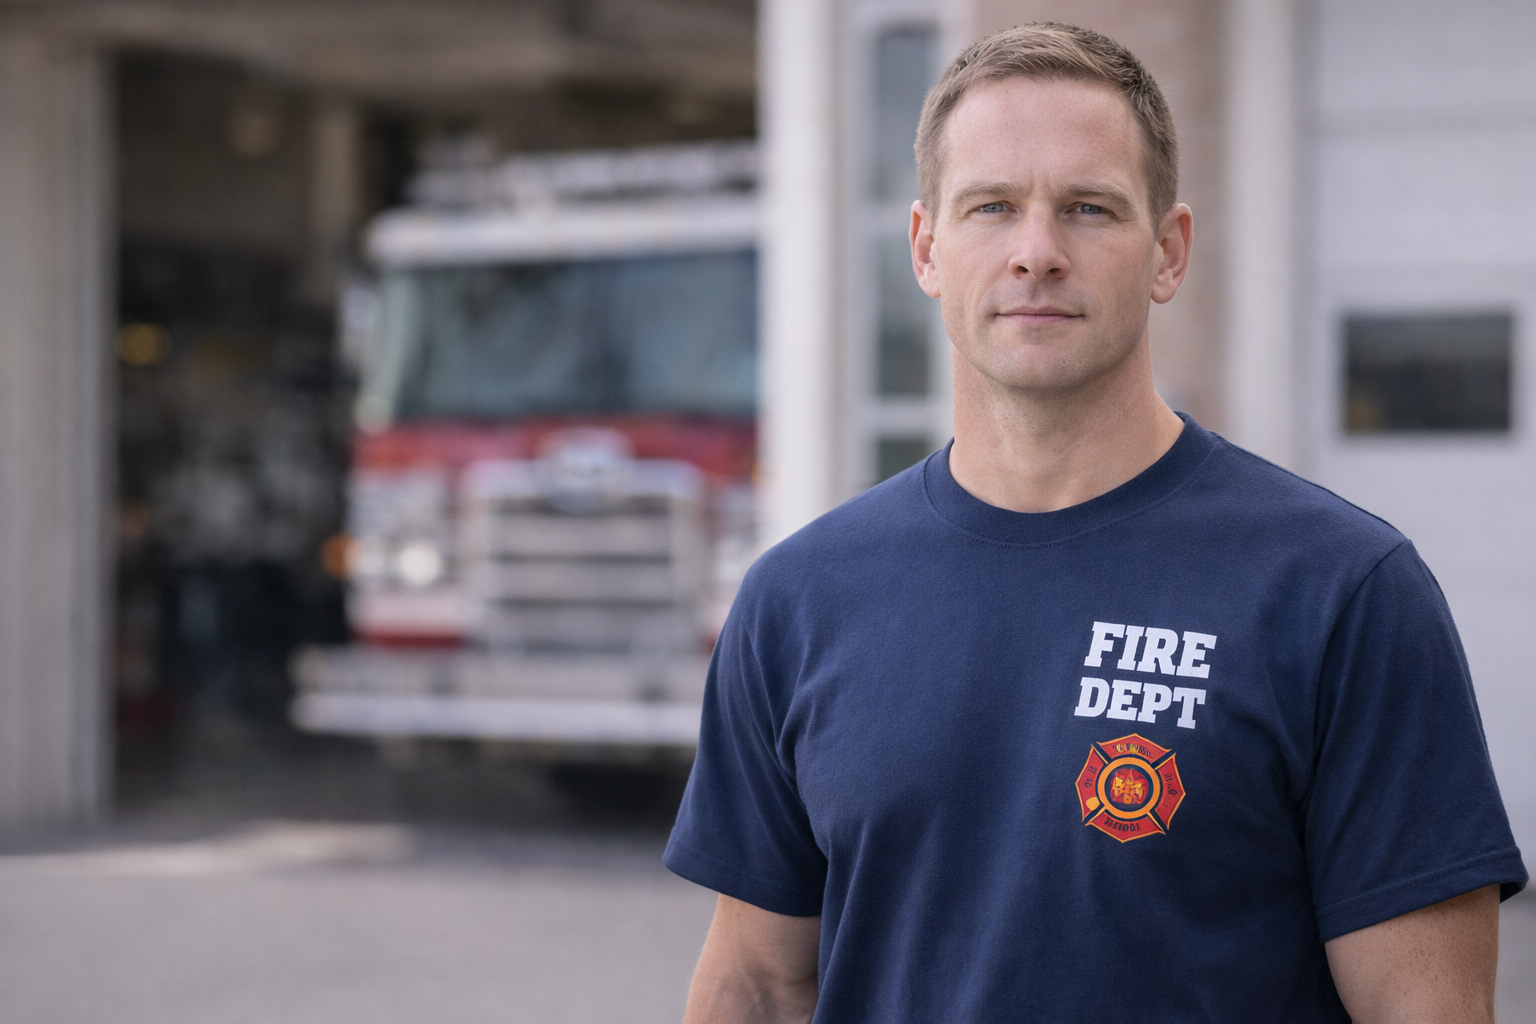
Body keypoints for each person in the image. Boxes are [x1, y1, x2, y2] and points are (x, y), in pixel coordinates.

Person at [664, 22, 1527, 1023]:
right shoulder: (799, 599)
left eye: (1088, 209)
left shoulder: (1341, 592)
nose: (1037, 253)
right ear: (926, 249)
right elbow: (758, 984)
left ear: (1167, 251)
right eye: (992, 207)